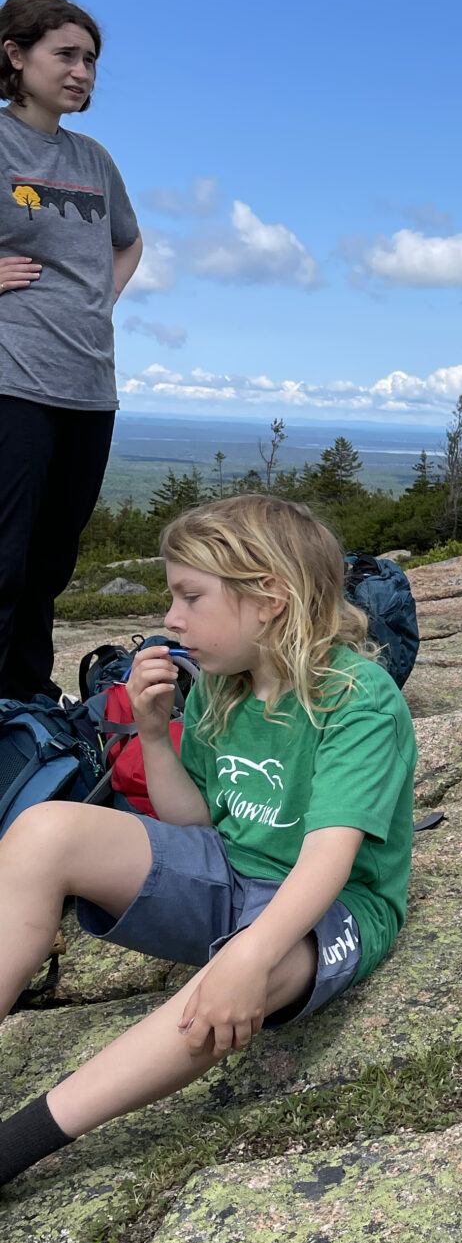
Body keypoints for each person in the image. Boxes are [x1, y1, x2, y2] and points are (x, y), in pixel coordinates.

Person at [0, 496, 417, 1189]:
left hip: (332, 905)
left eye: (191, 596)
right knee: (44, 829)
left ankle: (16, 1147)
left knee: (245, 981)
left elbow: (328, 858)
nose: (171, 618)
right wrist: (155, 730)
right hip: (229, 872)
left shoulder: (358, 698)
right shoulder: (223, 687)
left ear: (270, 598)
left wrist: (248, 957)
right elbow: (194, 823)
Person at [0, 0, 144, 701]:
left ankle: (26, 701)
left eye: (90, 59)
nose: (82, 71)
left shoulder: (92, 158)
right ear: (15, 54)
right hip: (10, 380)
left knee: (51, 560)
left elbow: (129, 239)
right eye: (66, 55)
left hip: (88, 385)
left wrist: (98, 297)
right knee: (3, 558)